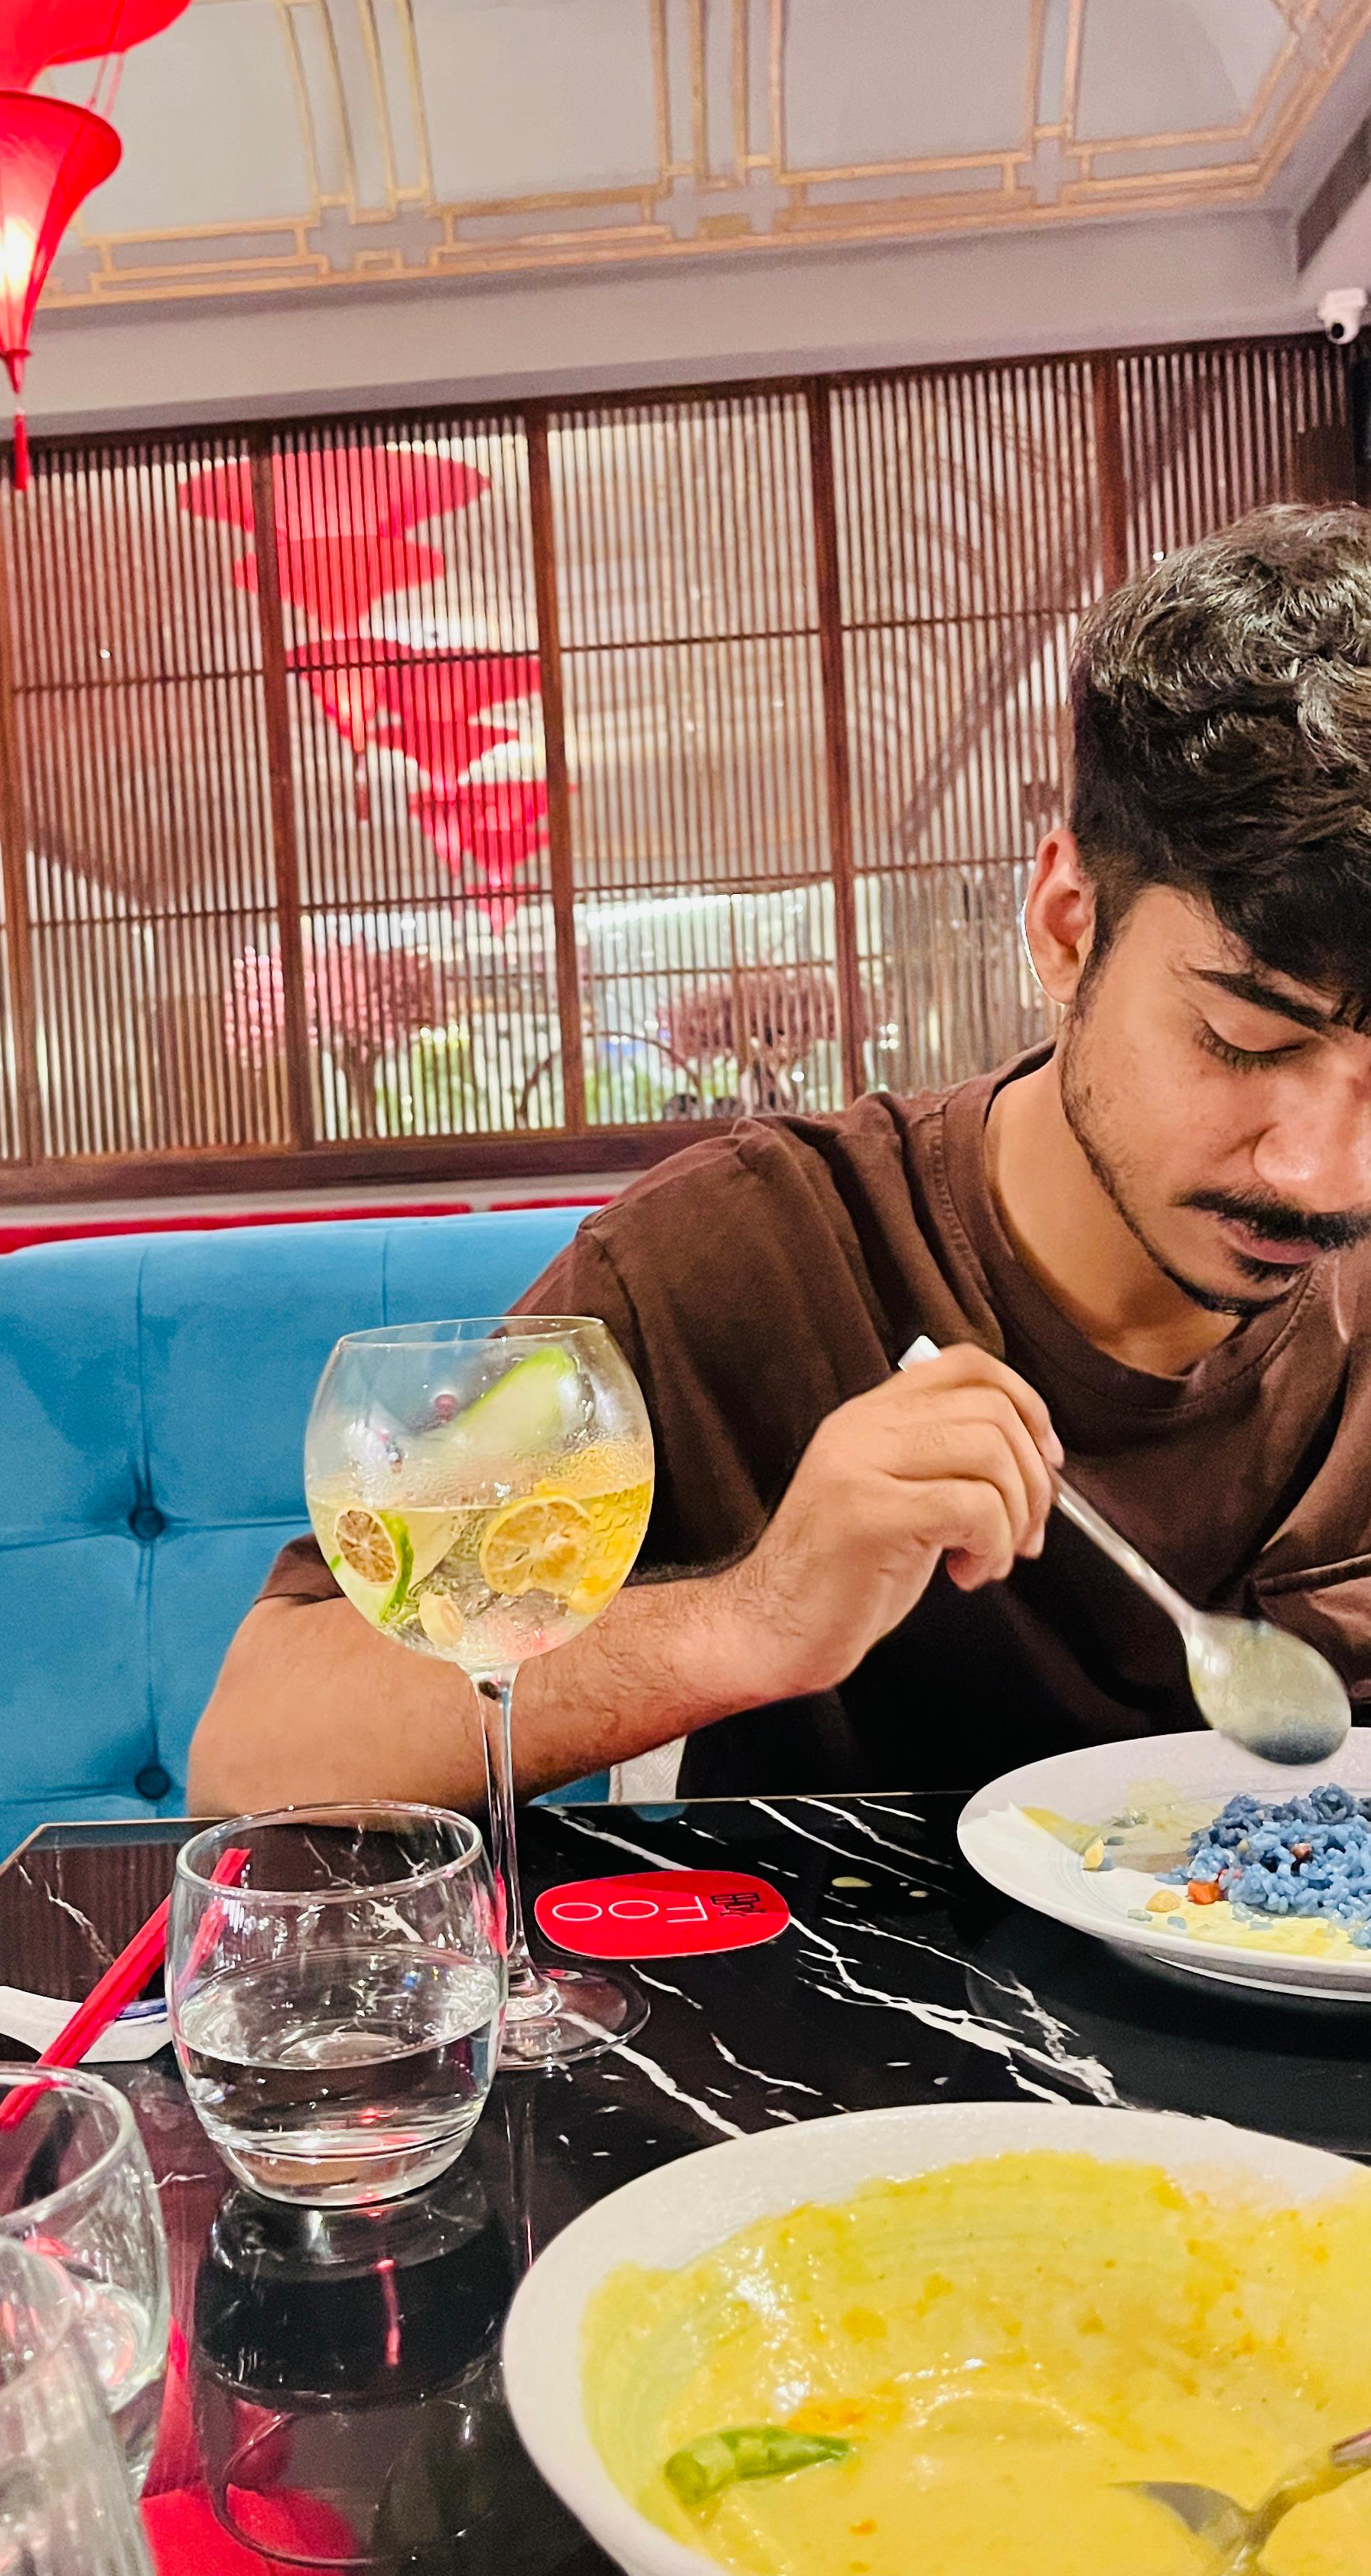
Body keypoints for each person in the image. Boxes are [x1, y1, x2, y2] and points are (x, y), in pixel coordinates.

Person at [190, 505, 1371, 1817]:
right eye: (1246, 1040)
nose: (1325, 1174)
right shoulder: (740, 1263)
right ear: (1064, 925)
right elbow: (259, 1744)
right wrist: (750, 1620)